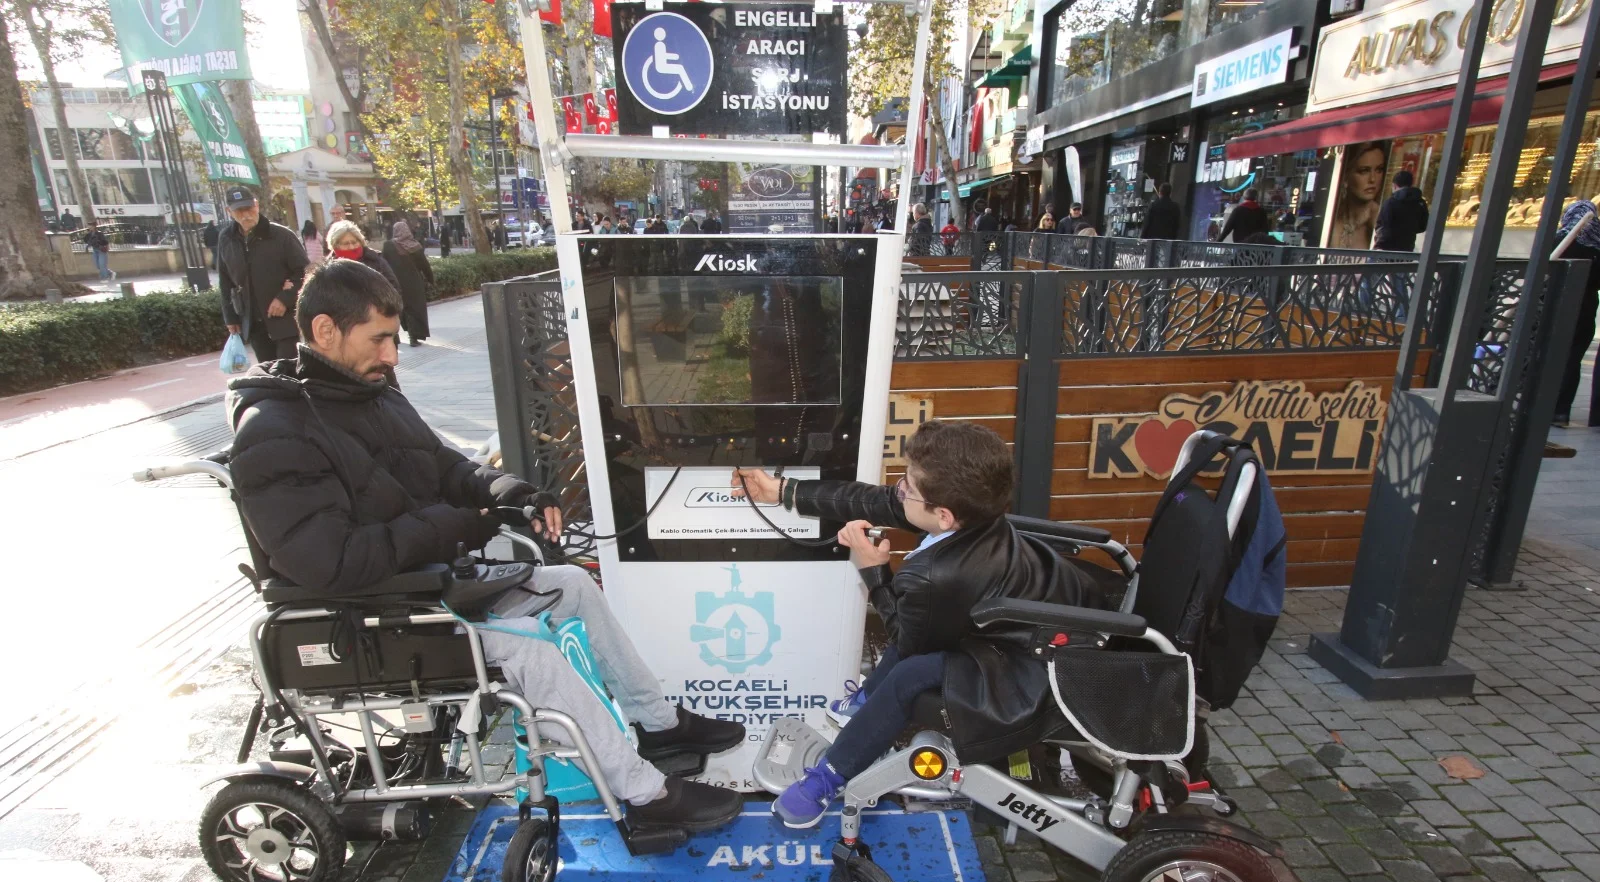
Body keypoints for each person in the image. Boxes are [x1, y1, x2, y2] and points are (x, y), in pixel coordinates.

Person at [227, 259, 748, 832]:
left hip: (427, 588)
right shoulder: (274, 429)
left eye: (393, 340)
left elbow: (445, 466)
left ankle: (656, 722)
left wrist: (514, 493)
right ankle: (645, 796)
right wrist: (458, 525)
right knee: (530, 649)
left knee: (572, 583)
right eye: (379, 340)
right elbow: (332, 562)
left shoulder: (370, 393)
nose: (392, 356)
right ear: (325, 331)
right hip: (376, 612)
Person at [730, 422, 1109, 829]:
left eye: (907, 485)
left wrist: (875, 572)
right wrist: (783, 491)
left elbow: (907, 642)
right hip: (1042, 617)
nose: (898, 488)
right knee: (916, 633)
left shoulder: (936, 578)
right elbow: (875, 500)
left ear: (943, 515)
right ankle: (865, 704)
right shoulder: (971, 515)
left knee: (911, 672)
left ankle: (830, 777)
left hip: (1040, 666)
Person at [217, 186, 308, 364]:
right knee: (267, 373)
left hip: (285, 320)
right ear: (229, 212)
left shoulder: (282, 236)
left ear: (257, 205)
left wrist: (284, 298)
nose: (246, 215)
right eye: (239, 211)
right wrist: (230, 317)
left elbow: (305, 271)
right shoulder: (226, 238)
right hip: (252, 320)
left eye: (249, 208)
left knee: (288, 371)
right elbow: (225, 280)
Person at [1553, 200, 1600, 428]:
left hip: (1555, 306)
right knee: (1572, 360)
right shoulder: (1597, 244)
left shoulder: (1559, 239)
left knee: (1547, 355)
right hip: (1585, 309)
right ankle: (1561, 412)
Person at [382, 219, 434, 348]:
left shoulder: (388, 245)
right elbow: (424, 266)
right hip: (413, 283)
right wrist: (431, 279)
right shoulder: (415, 246)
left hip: (394, 282)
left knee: (397, 309)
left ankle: (395, 336)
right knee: (414, 309)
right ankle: (413, 337)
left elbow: (383, 264)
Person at [1329, 141, 1386, 249]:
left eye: (1379, 170)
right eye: (1364, 171)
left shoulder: (1380, 219)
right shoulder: (1333, 219)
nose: (1372, 179)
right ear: (1346, 177)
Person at [326, 219, 400, 291]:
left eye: (354, 242)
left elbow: (394, 288)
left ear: (360, 241)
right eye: (346, 244)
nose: (351, 247)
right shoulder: (327, 268)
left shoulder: (376, 260)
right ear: (335, 245)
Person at [1373, 170, 1429, 252]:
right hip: (1407, 247)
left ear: (1394, 186)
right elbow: (1423, 226)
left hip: (1386, 248)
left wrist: (1378, 245)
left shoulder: (1391, 202)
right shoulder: (1420, 203)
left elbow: (1382, 226)